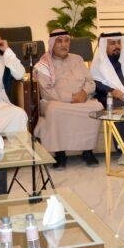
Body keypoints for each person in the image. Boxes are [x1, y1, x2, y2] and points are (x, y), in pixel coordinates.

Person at [34, 30, 100, 168]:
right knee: (54, 110)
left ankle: (87, 151)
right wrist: (71, 97)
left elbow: (90, 82)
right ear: (52, 44)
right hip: (56, 102)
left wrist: (84, 92)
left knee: (96, 107)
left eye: (66, 41)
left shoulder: (78, 59)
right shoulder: (43, 64)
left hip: (82, 99)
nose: (64, 44)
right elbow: (47, 92)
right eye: (59, 41)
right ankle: (60, 154)